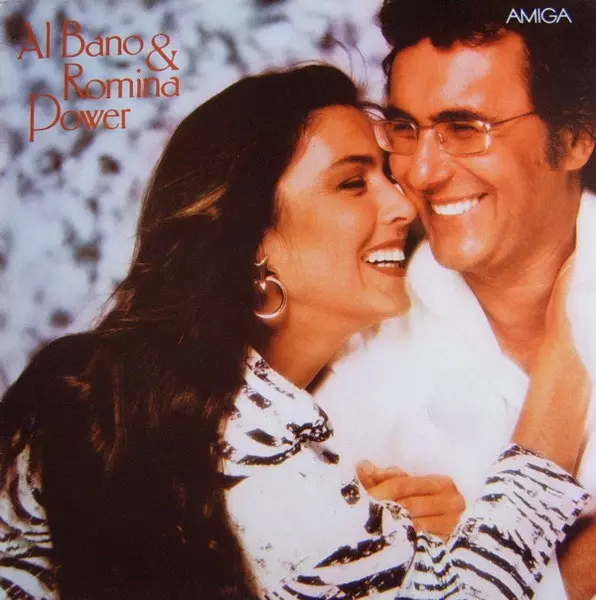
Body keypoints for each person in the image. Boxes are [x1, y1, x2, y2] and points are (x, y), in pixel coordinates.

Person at [0, 65, 590, 600]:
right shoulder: (234, 439)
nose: (405, 206)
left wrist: (372, 541)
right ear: (252, 241)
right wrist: (568, 353)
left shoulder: (183, 409)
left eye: (387, 175)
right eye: (352, 184)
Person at [315, 1, 596, 599]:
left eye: (465, 129)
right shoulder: (350, 370)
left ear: (575, 138)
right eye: (405, 128)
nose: (421, 173)